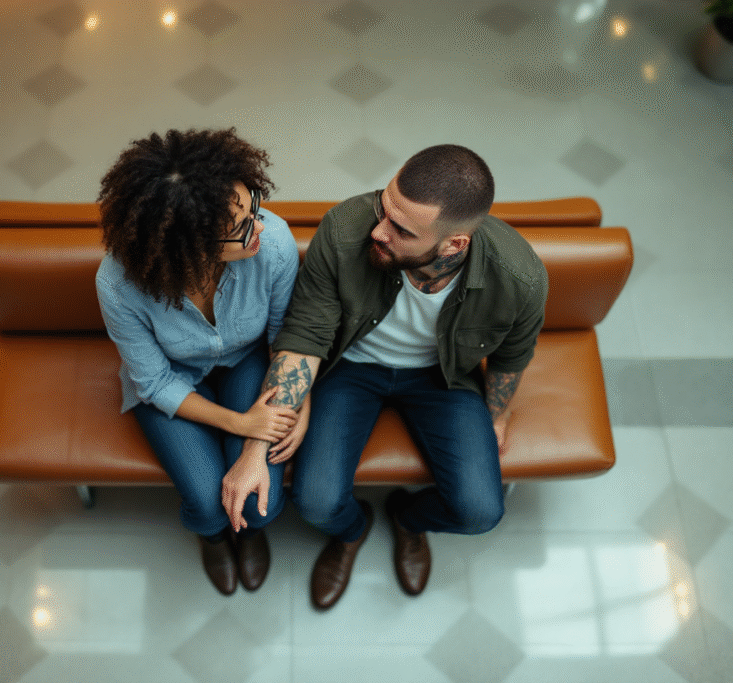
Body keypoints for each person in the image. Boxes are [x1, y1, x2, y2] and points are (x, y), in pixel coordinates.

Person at [221, 144, 548, 609]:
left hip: (442, 379)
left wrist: (496, 416)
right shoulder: (345, 229)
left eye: (400, 230)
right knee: (314, 502)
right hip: (350, 367)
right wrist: (255, 444)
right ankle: (352, 533)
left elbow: (513, 356)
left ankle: (408, 520)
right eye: (384, 206)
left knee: (480, 512)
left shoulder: (519, 277)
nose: (378, 230)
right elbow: (304, 337)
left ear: (454, 244)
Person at [95, 128, 301, 596]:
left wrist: (274, 425)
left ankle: (247, 531)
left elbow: (285, 340)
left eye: (255, 207)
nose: (261, 228)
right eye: (242, 228)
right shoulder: (117, 284)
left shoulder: (273, 246)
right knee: (206, 504)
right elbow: (153, 380)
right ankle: (212, 537)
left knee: (260, 505)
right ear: (187, 247)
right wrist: (240, 422)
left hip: (250, 362)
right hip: (171, 380)